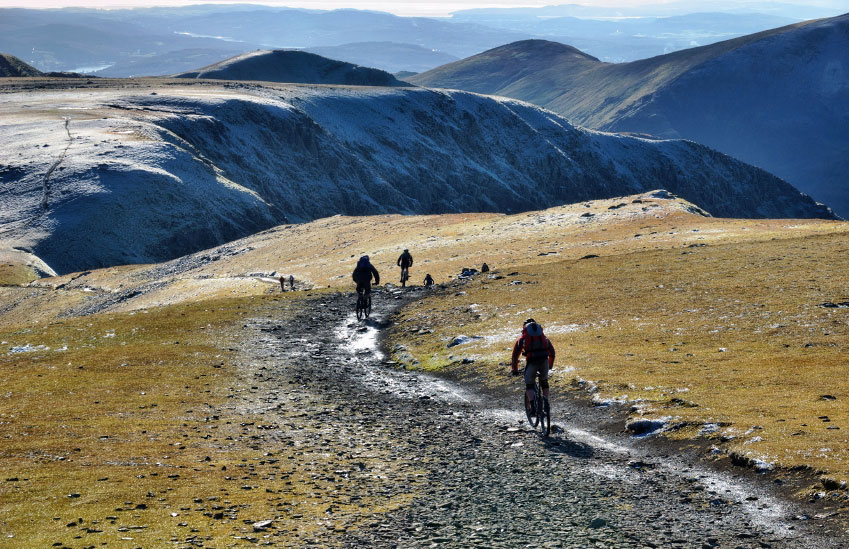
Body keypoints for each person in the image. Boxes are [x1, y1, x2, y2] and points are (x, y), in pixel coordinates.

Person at [511, 318, 555, 416]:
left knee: (529, 384)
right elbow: (552, 352)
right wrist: (550, 365)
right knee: (544, 381)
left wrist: (515, 369)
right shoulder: (543, 337)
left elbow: (515, 356)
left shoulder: (523, 338)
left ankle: (533, 408)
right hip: (544, 362)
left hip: (532, 362)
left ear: (524, 327)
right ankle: (546, 401)